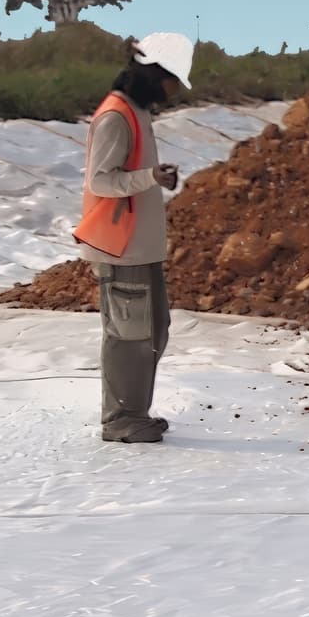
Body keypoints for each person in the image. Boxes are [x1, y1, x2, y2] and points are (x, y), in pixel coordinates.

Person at [77, 33, 193, 441]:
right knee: (129, 336)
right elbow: (102, 181)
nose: (174, 90)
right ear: (153, 74)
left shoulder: (137, 112)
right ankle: (121, 420)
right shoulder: (116, 116)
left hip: (139, 246)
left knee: (152, 331)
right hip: (120, 246)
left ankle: (135, 412)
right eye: (172, 79)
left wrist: (154, 177)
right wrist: (149, 177)